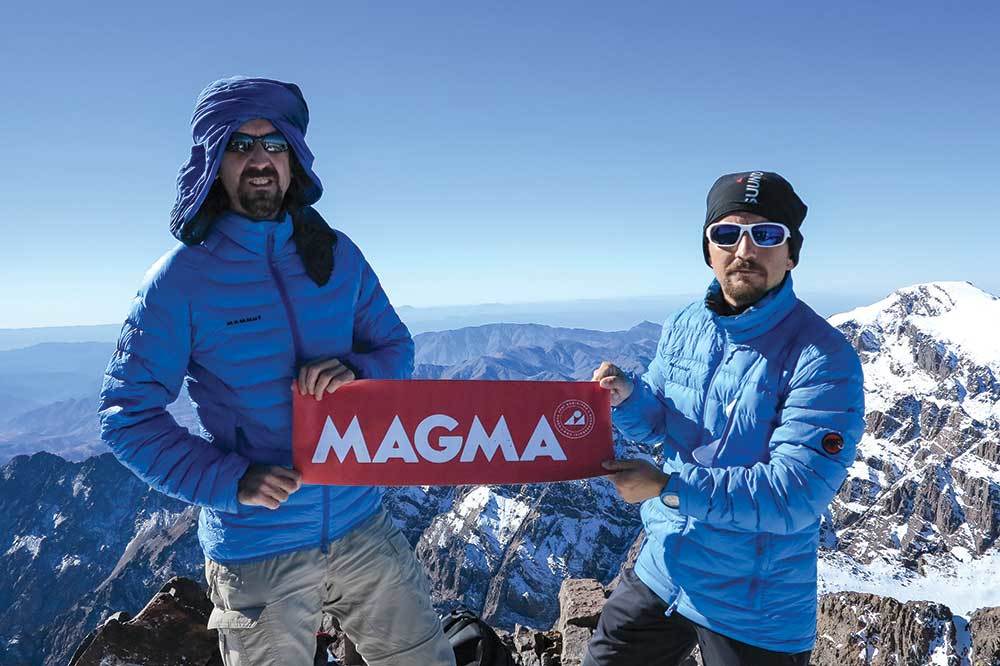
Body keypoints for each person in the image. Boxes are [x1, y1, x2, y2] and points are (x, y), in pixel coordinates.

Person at [99, 76, 455, 666]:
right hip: (257, 546)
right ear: (214, 162)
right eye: (240, 145)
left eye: (274, 144)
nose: (260, 159)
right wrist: (230, 481)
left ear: (294, 159)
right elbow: (125, 416)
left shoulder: (337, 255)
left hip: (361, 522)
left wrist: (357, 373)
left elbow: (395, 348)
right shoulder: (180, 279)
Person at [587, 171, 865, 665]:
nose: (744, 249)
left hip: (754, 604)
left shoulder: (824, 357)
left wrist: (667, 486)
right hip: (665, 566)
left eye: (766, 234)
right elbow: (661, 422)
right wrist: (627, 398)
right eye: (727, 233)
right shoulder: (685, 324)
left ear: (791, 253)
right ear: (708, 249)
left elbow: (796, 493)